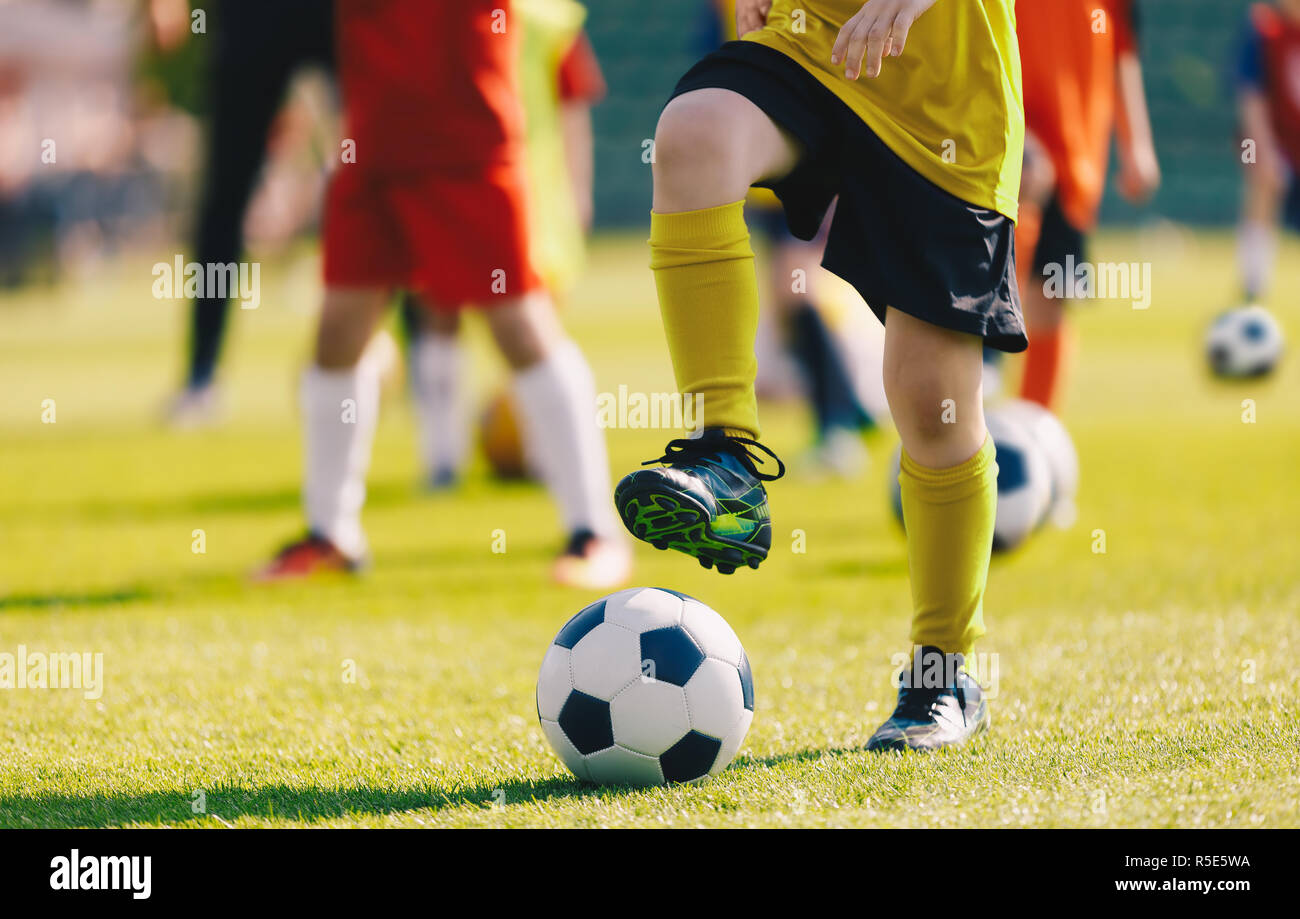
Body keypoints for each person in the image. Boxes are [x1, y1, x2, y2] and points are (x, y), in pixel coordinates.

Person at [612, 0, 1025, 752]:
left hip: (946, 93)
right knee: (696, 131)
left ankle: (944, 672)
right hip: (815, 45)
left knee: (930, 398)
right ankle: (724, 455)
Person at [257, 0, 629, 590]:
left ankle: (594, 531)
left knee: (518, 324)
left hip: (467, 131)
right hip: (374, 140)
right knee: (337, 334)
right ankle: (331, 534)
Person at [402, 0, 607, 490]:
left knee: (533, 316)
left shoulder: (551, 17)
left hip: (531, 184)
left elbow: (572, 102)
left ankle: (542, 452)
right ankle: (442, 454)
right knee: (439, 307)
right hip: (449, 175)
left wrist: (578, 188)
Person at [160, 0, 335, 426]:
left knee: (390, 175)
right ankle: (202, 376)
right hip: (253, 14)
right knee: (226, 190)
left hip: (345, 11)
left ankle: (427, 361)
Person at [1014, 0, 1160, 413]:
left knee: (1051, 294)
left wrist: (1138, 144)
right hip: (1007, 129)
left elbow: (1122, 50)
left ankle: (1034, 424)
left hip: (1074, 146)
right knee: (983, 287)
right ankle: (970, 409)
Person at [1234, 0, 1300, 308]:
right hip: (1267, 142)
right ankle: (1253, 282)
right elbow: (1250, 97)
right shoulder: (1263, 28)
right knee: (1256, 168)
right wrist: (1264, 151)